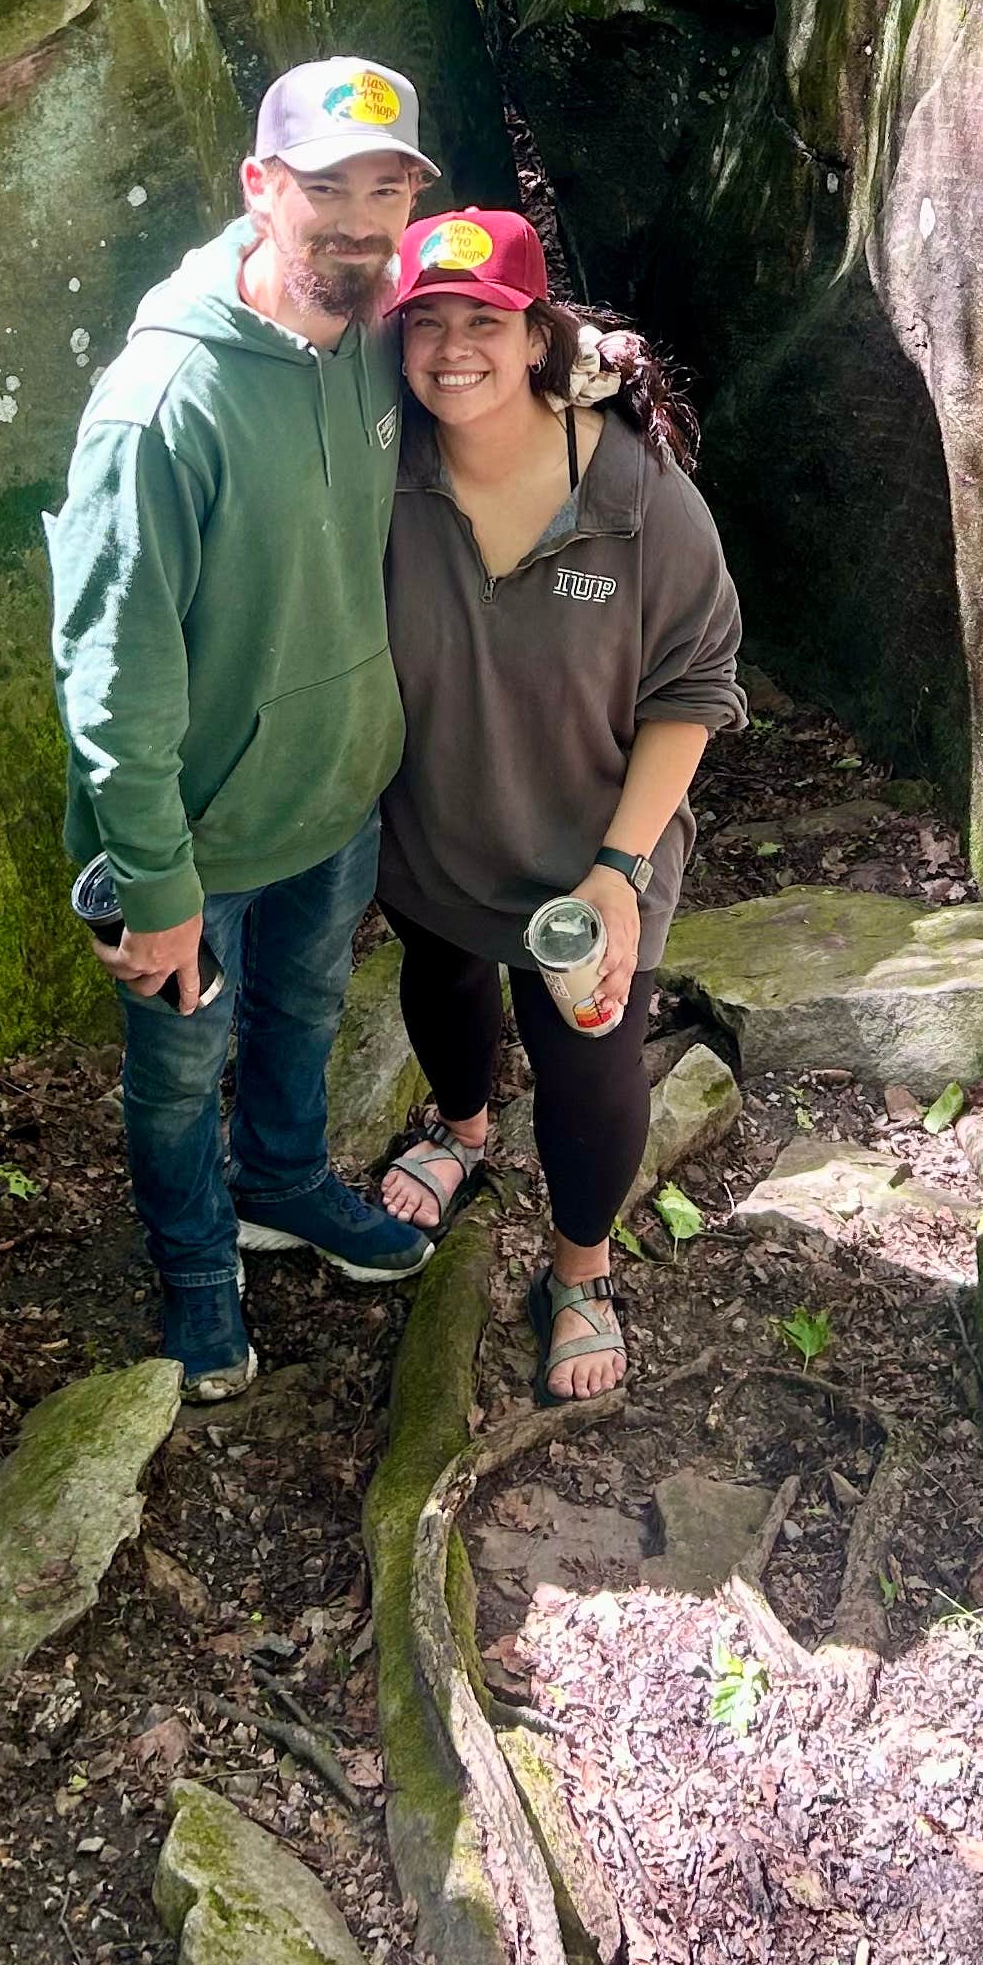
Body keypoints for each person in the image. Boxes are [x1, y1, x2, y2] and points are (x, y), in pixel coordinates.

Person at [47, 54, 441, 1400]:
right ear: (259, 190)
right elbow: (112, 673)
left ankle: (281, 1181)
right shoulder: (163, 408)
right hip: (195, 843)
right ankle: (197, 1271)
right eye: (329, 187)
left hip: (332, 798)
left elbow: (496, 329)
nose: (362, 219)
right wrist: (152, 882)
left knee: (310, 1006)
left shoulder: (378, 327)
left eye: (386, 189)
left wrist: (588, 362)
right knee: (175, 1076)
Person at [372, 206, 744, 1401]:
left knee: (590, 1063)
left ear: (537, 336)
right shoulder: (387, 473)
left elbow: (694, 686)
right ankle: (464, 1131)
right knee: (439, 979)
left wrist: (620, 874)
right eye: (424, 322)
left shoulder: (638, 497)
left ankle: (579, 1272)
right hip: (437, 833)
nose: (450, 348)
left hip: (596, 852)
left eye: (480, 320)